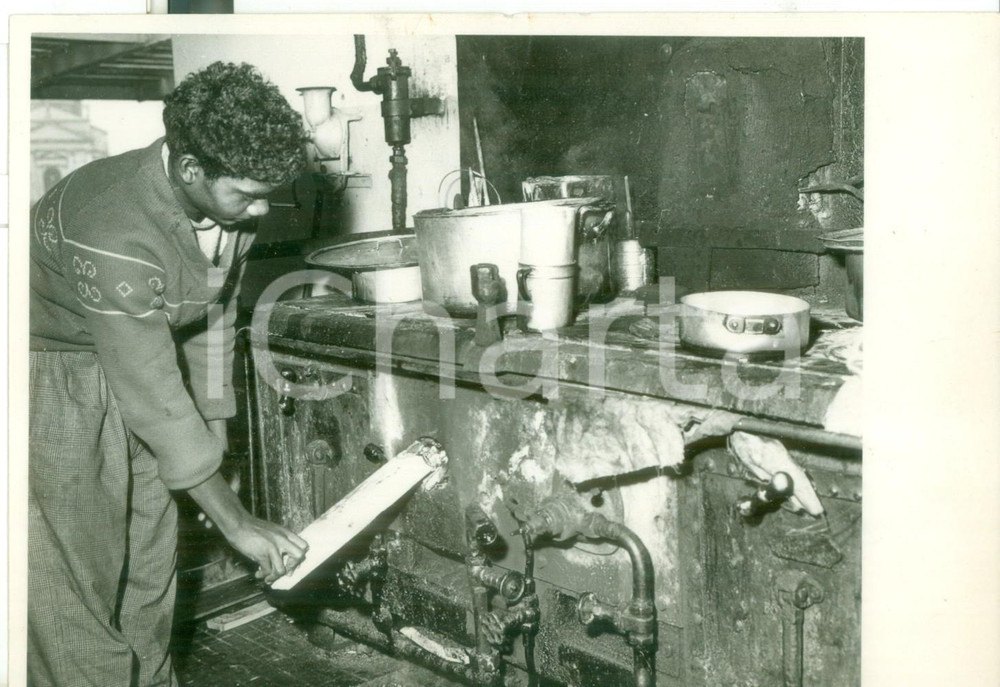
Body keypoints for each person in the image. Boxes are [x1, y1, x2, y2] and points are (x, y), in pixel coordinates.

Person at [28, 61, 310, 687]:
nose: (261, 210)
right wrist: (236, 523)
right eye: (248, 194)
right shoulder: (114, 226)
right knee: (75, 570)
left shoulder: (229, 213)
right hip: (46, 363)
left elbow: (212, 319)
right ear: (189, 170)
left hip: (139, 347)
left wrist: (216, 440)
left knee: (148, 553)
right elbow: (154, 398)